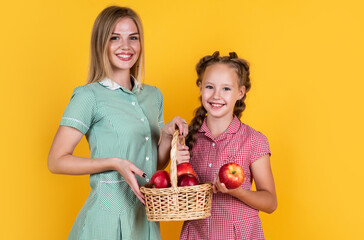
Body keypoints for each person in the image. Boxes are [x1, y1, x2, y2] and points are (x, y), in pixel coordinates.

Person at [48, 6, 188, 240]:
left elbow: (154, 166)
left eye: (133, 38)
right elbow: (56, 161)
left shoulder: (154, 96)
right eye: (115, 38)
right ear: (101, 43)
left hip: (146, 219)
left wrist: (165, 136)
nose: (126, 46)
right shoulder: (88, 96)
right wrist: (115, 163)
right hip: (105, 222)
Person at [178, 51, 277, 239]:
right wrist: (178, 164)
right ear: (200, 88)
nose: (216, 96)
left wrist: (238, 192)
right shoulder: (187, 138)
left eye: (226, 89)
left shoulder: (254, 141)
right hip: (197, 235)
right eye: (209, 87)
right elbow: (181, 195)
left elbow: (270, 202)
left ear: (241, 92)